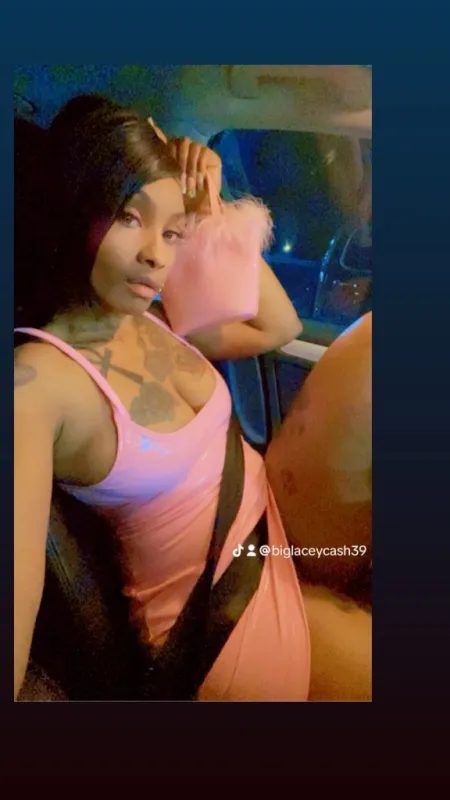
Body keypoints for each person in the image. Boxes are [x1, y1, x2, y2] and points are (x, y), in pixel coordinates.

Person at [14, 94, 371, 701]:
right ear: (78, 208)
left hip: (277, 536)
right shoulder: (38, 384)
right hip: (225, 622)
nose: (157, 254)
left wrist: (211, 208)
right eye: (130, 217)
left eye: (172, 231)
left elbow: (277, 325)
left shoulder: (155, 318)